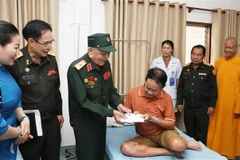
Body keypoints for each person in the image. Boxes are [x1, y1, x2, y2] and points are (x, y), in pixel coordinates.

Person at [67, 33, 131, 160]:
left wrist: (118, 105)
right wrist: (111, 112)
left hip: (100, 119)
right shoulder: (76, 69)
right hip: (84, 123)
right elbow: (84, 102)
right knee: (88, 156)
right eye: (103, 53)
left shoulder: (105, 65)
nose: (106, 57)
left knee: (99, 155)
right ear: (90, 51)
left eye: (109, 53)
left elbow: (110, 90)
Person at [10, 19, 64, 160]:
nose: (49, 47)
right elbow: (13, 98)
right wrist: (19, 124)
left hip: (51, 121)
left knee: (53, 156)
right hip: (30, 122)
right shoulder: (16, 62)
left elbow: (56, 88)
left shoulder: (51, 59)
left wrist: (59, 113)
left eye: (51, 42)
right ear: (31, 41)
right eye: (45, 43)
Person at [121, 68, 202, 158]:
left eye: (154, 90)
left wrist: (153, 119)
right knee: (126, 148)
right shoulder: (133, 93)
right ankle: (168, 151)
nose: (150, 92)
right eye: (147, 87)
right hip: (144, 136)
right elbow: (126, 115)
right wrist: (133, 116)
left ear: (163, 87)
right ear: (145, 80)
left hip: (163, 133)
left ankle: (183, 143)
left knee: (178, 145)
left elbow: (171, 125)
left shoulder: (166, 98)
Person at [0, 20, 31, 159]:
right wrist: (21, 132)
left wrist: (24, 118)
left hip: (10, 147)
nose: (18, 52)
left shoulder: (5, 68)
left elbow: (13, 99)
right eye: (16, 47)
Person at [177, 44, 217, 145]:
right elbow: (180, 86)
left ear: (203, 57)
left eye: (198, 55)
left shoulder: (209, 69)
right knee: (189, 132)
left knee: (201, 133)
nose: (195, 57)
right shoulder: (185, 68)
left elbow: (213, 88)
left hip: (203, 108)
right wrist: (180, 102)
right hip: (188, 107)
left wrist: (212, 105)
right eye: (193, 54)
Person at [207, 37, 240, 159]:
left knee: (230, 133)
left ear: (236, 48)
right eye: (226, 47)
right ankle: (216, 154)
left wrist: (238, 108)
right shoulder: (218, 62)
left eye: (230, 47)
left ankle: (230, 155)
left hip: (233, 106)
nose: (227, 49)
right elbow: (212, 83)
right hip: (218, 104)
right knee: (216, 130)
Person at [150, 40, 182, 112]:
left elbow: (178, 80)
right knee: (157, 114)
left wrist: (179, 99)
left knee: (170, 116)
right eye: (164, 48)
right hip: (157, 93)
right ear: (161, 49)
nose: (166, 50)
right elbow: (151, 78)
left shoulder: (177, 62)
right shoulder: (156, 61)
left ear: (172, 50)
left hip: (172, 94)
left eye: (168, 48)